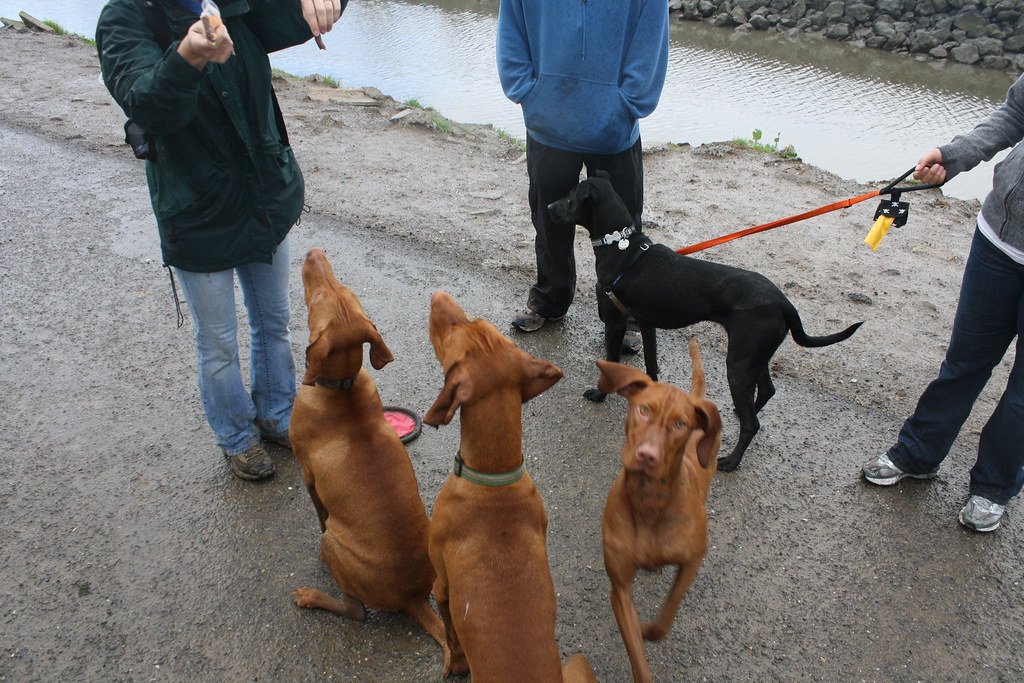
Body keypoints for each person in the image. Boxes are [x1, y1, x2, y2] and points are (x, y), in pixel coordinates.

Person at [96, 0, 343, 480]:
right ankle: (236, 437)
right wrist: (187, 56)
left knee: (273, 322)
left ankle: (277, 416)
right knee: (218, 342)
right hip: (198, 210)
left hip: (263, 197)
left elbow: (295, 14)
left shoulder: (233, 4)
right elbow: (148, 103)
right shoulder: (125, 18)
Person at [861, 74, 1024, 532]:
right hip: (998, 241)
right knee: (964, 363)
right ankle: (917, 454)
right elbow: (1015, 112)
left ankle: (993, 487)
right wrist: (953, 157)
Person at [496, 0, 669, 351]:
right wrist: (527, 91)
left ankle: (626, 314)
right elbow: (512, 27)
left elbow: (650, 37)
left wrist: (628, 102)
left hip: (614, 129)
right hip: (549, 125)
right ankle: (550, 300)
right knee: (549, 220)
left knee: (622, 228)